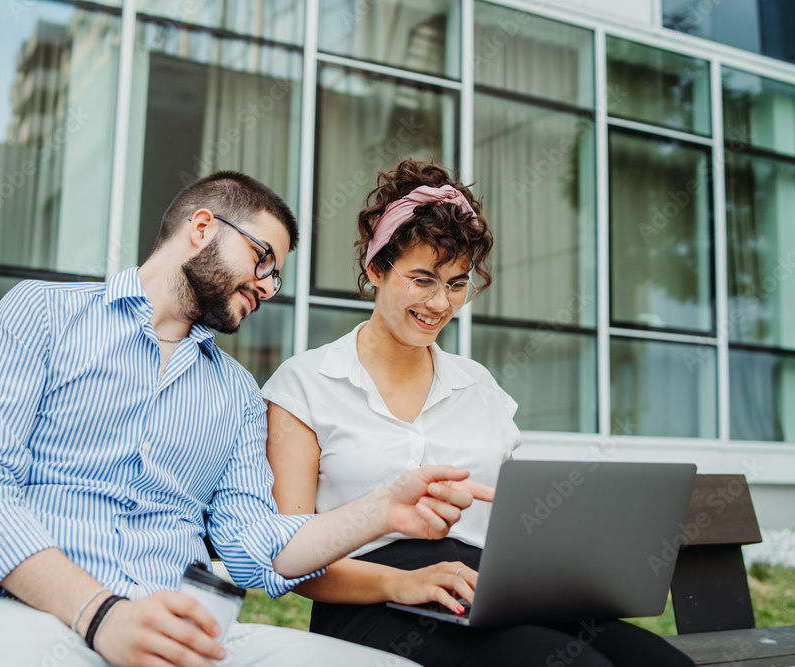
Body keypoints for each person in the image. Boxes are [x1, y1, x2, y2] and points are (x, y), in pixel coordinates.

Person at [0, 170, 488, 667]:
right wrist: (103, 616)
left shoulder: (237, 393)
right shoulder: (41, 315)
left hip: (186, 636)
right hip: (34, 619)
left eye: (278, 276)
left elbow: (258, 551)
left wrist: (381, 509)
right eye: (263, 259)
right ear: (203, 227)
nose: (269, 287)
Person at [262, 159, 696, 667]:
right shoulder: (305, 384)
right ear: (376, 269)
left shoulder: (479, 387)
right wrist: (405, 582)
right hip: (370, 601)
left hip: (483, 593)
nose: (439, 302)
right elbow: (288, 558)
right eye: (422, 279)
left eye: (456, 283)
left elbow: (517, 527)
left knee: (663, 664)